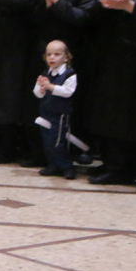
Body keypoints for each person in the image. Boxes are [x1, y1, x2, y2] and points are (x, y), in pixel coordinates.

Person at [34, 39, 78, 179]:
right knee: (47, 142)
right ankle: (53, 165)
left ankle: (67, 166)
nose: (52, 57)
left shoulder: (70, 74)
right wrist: (41, 88)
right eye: (49, 54)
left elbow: (68, 91)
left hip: (59, 115)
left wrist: (50, 87)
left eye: (57, 54)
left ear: (66, 57)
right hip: (45, 113)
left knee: (58, 142)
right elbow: (37, 93)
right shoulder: (45, 73)